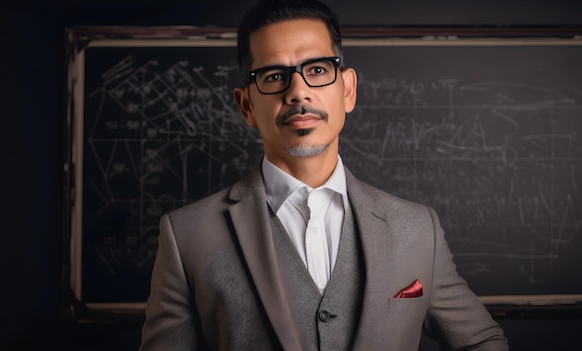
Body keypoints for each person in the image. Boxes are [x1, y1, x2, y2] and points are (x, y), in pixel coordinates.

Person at [138, 0, 509, 350]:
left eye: (317, 70)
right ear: (246, 105)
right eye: (273, 75)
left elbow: (481, 341)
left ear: (347, 89)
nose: (298, 92)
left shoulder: (417, 228)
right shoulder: (186, 236)